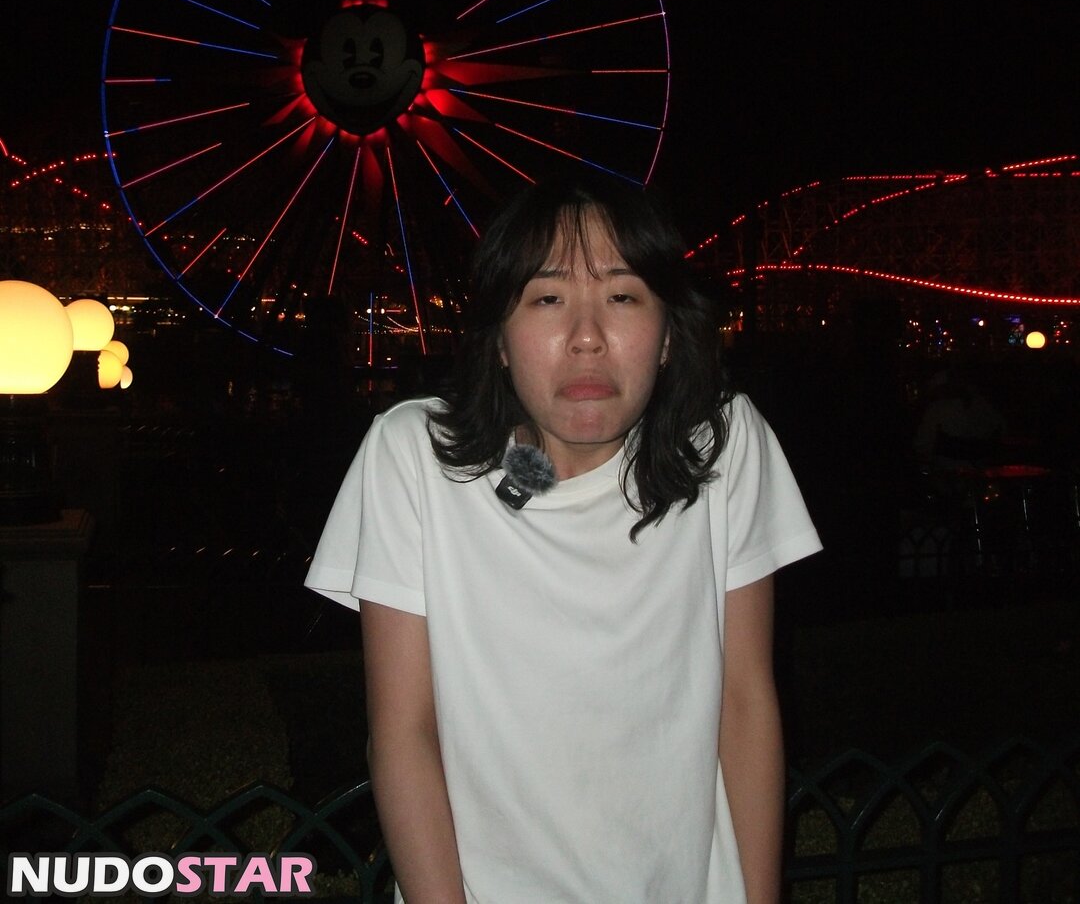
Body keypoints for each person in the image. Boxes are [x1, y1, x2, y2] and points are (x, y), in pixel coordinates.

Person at [305, 178, 822, 903]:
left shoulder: (722, 447)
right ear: (500, 339)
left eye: (623, 296)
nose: (587, 336)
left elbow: (746, 704)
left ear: (669, 334)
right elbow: (403, 732)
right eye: (547, 298)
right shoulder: (414, 458)